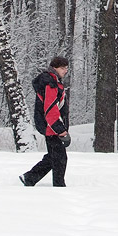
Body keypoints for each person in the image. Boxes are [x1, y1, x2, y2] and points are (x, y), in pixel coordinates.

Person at [20, 56, 71, 187]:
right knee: (60, 158)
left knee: (53, 157)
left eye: (66, 68)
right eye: (62, 68)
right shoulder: (51, 83)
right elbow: (50, 110)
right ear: (54, 68)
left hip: (50, 126)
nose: (65, 71)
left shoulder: (53, 81)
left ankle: (29, 178)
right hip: (51, 127)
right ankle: (59, 186)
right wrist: (61, 131)